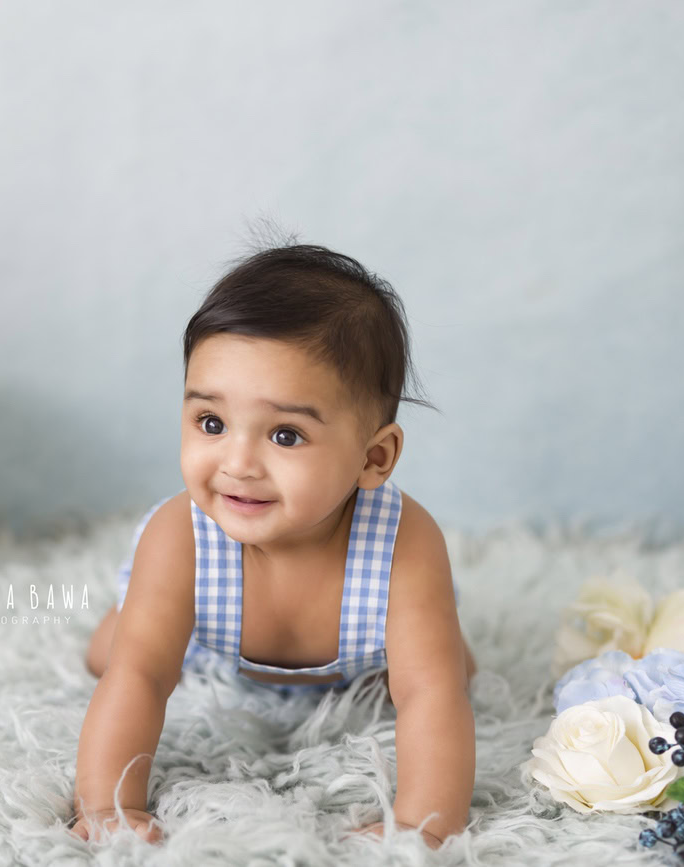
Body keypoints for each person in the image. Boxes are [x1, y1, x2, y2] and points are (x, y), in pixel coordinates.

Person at [69, 241, 477, 850]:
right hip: (213, 646)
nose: (237, 463)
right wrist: (108, 806)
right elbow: (141, 677)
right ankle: (134, 614)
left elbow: (428, 696)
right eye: (212, 422)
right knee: (116, 653)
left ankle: (420, 645)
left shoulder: (404, 543)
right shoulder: (181, 535)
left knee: (451, 670)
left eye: (285, 435)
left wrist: (424, 821)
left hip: (354, 662)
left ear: (374, 458)